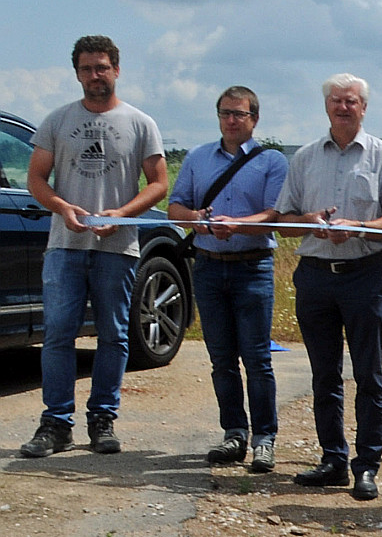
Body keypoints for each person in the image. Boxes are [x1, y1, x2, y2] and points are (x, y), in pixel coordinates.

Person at [19, 35, 167, 458]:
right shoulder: (56, 121)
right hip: (65, 246)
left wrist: (122, 213)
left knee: (115, 336)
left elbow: (159, 183)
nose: (95, 75)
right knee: (59, 334)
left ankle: (103, 419)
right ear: (77, 73)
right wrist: (62, 206)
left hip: (117, 247)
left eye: (102, 67)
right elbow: (36, 180)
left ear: (116, 70)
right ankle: (56, 423)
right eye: (86, 68)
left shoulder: (141, 123)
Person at [276, 73, 382, 501]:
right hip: (316, 276)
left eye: (352, 101)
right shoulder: (303, 158)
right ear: (326, 107)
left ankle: (367, 465)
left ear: (364, 107)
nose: (343, 108)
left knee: (368, 376)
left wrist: (358, 227)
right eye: (337, 101)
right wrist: (313, 223)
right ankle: (333, 459)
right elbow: (284, 223)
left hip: (364, 274)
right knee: (323, 375)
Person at [166, 86, 289, 471]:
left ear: (254, 118)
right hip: (207, 266)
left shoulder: (272, 161)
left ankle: (264, 439)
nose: (232, 120)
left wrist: (238, 224)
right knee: (221, 358)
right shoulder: (198, 158)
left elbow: (275, 214)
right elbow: (174, 207)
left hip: (252, 267)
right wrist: (197, 220)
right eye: (225, 113)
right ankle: (234, 432)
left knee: (256, 358)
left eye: (239, 114)